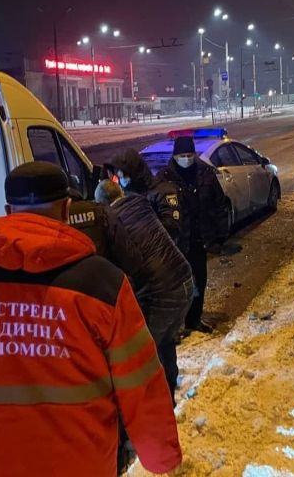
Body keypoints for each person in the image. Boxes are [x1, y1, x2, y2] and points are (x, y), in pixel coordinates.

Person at [0, 161, 181, 477]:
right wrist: (161, 456)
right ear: (67, 209)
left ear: (6, 208)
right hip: (80, 464)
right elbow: (141, 382)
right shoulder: (104, 285)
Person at [94, 179, 194, 398]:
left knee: (146, 351)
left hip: (162, 291)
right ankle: (169, 389)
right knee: (165, 339)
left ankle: (158, 402)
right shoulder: (140, 205)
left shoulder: (112, 221)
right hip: (185, 279)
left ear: (101, 204)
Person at [159, 136, 229, 333]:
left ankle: (194, 319)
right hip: (176, 242)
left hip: (198, 240)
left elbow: (219, 204)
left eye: (190, 155)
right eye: (182, 155)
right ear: (175, 156)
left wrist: (220, 235)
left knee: (199, 280)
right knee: (178, 285)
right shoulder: (165, 178)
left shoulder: (206, 173)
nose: (186, 159)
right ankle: (177, 324)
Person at [110, 149, 187, 248]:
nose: (121, 180)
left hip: (165, 253)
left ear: (133, 173)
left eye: (123, 175)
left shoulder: (163, 191)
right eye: (119, 176)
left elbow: (172, 227)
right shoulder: (128, 194)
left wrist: (139, 229)